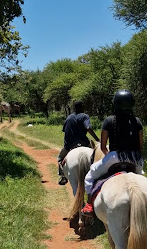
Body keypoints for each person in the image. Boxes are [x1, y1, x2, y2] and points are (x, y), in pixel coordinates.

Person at [81, 89, 144, 217]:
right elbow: (140, 146)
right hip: (135, 159)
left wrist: (108, 156)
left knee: (90, 176)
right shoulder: (137, 121)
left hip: (114, 157)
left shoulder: (109, 121)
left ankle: (89, 205)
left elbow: (103, 146)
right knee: (141, 177)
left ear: (115, 103)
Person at [58, 100, 100, 185]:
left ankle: (63, 176)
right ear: (82, 107)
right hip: (84, 143)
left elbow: (65, 130)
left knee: (60, 158)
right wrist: (97, 139)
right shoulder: (84, 116)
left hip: (70, 145)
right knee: (97, 156)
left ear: (74, 108)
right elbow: (88, 128)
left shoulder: (69, 117)